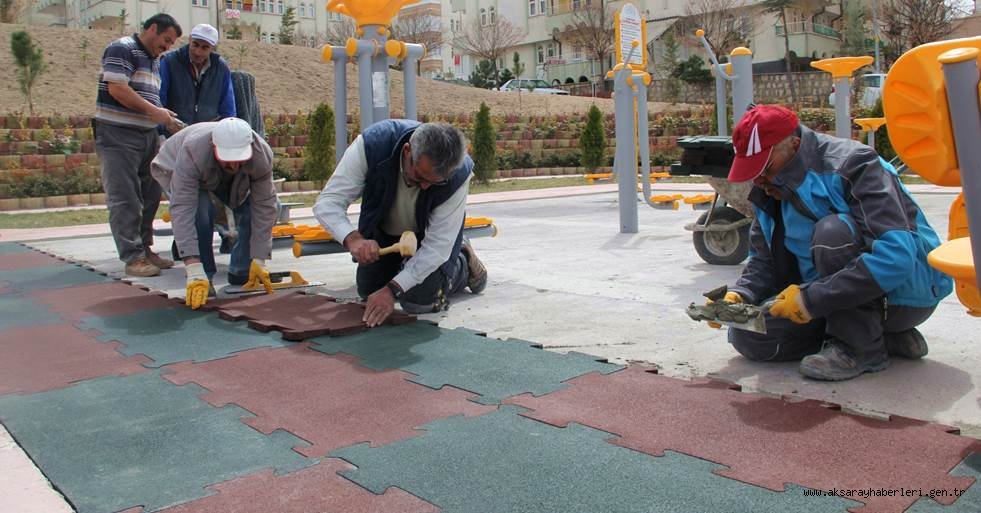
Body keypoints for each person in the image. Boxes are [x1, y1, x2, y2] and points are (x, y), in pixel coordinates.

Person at [711, 104, 952, 381]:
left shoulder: (854, 165)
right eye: (752, 171)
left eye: (766, 167)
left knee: (832, 233)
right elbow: (763, 261)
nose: (760, 180)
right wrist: (741, 295)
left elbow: (895, 259)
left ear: (794, 144)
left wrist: (810, 299)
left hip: (904, 296)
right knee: (749, 337)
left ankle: (860, 350)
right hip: (832, 302)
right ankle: (880, 338)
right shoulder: (770, 191)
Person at [313, 119, 488, 327]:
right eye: (419, 177)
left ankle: (463, 262)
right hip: (384, 234)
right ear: (407, 152)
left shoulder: (458, 173)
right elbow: (328, 203)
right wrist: (353, 239)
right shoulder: (372, 145)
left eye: (434, 183)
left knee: (420, 301)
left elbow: (436, 248)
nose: (424, 187)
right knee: (369, 291)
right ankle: (400, 271)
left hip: (426, 241)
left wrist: (392, 290)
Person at [150, 118, 278, 309]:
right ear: (213, 145)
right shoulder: (193, 151)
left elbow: (265, 206)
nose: (233, 166)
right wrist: (192, 266)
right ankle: (203, 277)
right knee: (200, 212)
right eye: (228, 158)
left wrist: (260, 257)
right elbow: (183, 209)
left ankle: (243, 270)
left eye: (239, 159)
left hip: (220, 176)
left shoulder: (260, 154)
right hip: (174, 167)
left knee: (256, 207)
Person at [94, 13, 183, 277]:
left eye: (171, 44)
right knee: (125, 197)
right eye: (166, 39)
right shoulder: (123, 48)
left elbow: (144, 96)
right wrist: (155, 113)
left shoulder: (155, 61)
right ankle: (133, 257)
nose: (167, 47)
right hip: (118, 134)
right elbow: (117, 89)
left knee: (150, 194)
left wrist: (162, 115)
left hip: (146, 135)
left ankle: (145, 249)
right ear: (152, 28)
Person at [158, 23, 236, 129]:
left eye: (205, 48)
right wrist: (161, 130)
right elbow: (159, 100)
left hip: (207, 132)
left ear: (213, 48)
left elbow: (228, 107)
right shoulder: (169, 62)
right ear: (190, 40)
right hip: (174, 131)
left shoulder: (221, 67)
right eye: (195, 45)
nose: (198, 52)